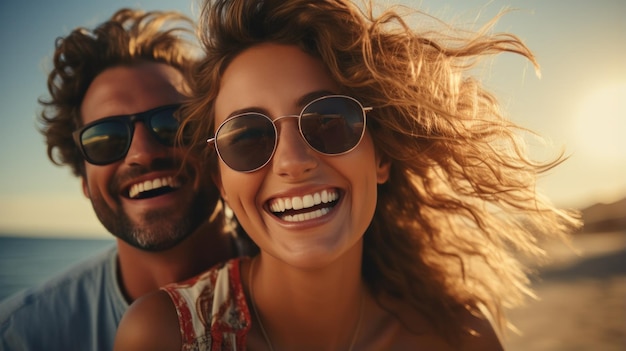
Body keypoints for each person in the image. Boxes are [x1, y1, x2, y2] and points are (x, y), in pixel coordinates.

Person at [114, 0, 582, 350]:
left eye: (329, 122)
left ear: (380, 158)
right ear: (221, 182)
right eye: (248, 137)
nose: (292, 161)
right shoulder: (161, 335)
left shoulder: (459, 336)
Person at [0, 8, 253, 351]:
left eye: (173, 123)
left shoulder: (313, 291)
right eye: (105, 139)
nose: (141, 153)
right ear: (85, 181)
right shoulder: (21, 336)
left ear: (215, 146)